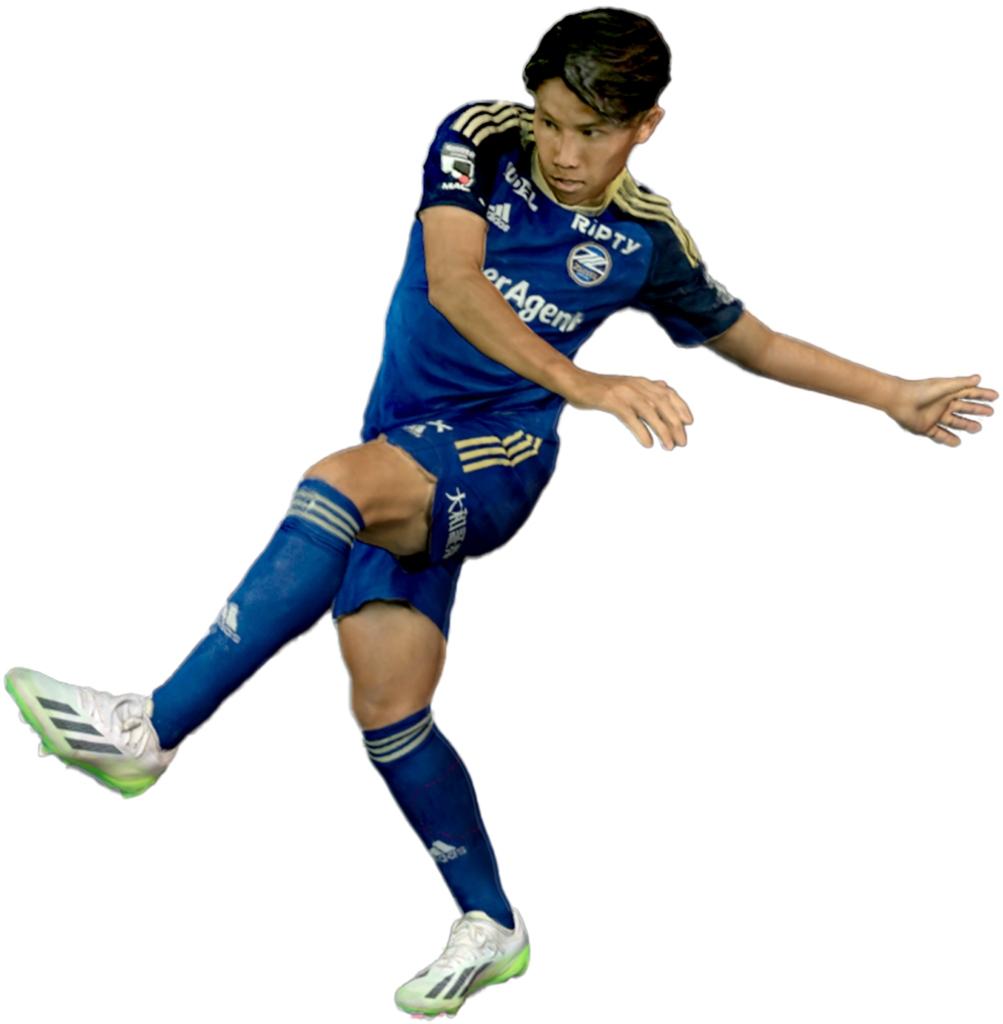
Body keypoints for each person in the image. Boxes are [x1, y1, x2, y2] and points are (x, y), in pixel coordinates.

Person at [5, 8, 995, 1020]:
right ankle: (492, 923)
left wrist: (890, 394)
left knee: (335, 486)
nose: (563, 152)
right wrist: (586, 379)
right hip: (403, 443)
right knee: (388, 709)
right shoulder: (477, 137)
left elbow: (754, 340)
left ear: (646, 125)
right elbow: (453, 281)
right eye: (552, 122)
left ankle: (152, 728)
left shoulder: (646, 239)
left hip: (497, 457)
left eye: (592, 133)